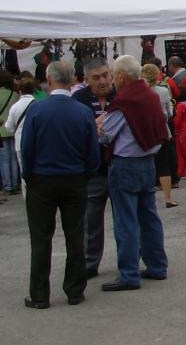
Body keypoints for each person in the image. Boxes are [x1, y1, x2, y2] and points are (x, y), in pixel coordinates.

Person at [20, 61, 99, 308]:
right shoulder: (83, 112)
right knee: (75, 235)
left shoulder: (37, 110)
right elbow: (92, 153)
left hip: (42, 180)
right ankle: (75, 290)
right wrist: (85, 174)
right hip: (74, 179)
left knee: (41, 238)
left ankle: (40, 294)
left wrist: (28, 175)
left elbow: (27, 148)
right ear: (73, 80)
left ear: (49, 79)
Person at [97, 55, 170, 292]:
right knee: (149, 216)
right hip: (147, 161)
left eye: (112, 74)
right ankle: (157, 265)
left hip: (125, 164)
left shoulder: (125, 101)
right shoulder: (150, 95)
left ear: (121, 75)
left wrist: (98, 126)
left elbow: (106, 134)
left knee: (125, 220)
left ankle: (128, 273)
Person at [71, 58, 115, 277]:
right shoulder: (79, 100)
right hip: (93, 172)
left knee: (125, 219)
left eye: (106, 75)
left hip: (118, 167)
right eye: (96, 78)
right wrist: (91, 126)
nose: (103, 81)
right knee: (91, 221)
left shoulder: (120, 95)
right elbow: (72, 133)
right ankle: (90, 264)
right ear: (86, 80)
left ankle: (129, 261)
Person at [140, 63, 177, 208]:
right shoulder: (163, 91)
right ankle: (168, 198)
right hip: (162, 131)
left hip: (145, 133)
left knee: (147, 164)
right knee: (164, 165)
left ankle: (147, 198)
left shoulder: (139, 93)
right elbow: (170, 113)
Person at [3, 77, 37, 194]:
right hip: (38, 142)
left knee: (24, 171)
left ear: (20, 90)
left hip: (21, 142)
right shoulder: (39, 104)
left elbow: (9, 127)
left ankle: (28, 197)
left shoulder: (15, 107)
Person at [0, 70, 20, 196]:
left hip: (1, 130)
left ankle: (7, 186)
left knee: (4, 159)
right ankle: (14, 184)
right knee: (14, 157)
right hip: (12, 128)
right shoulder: (14, 94)